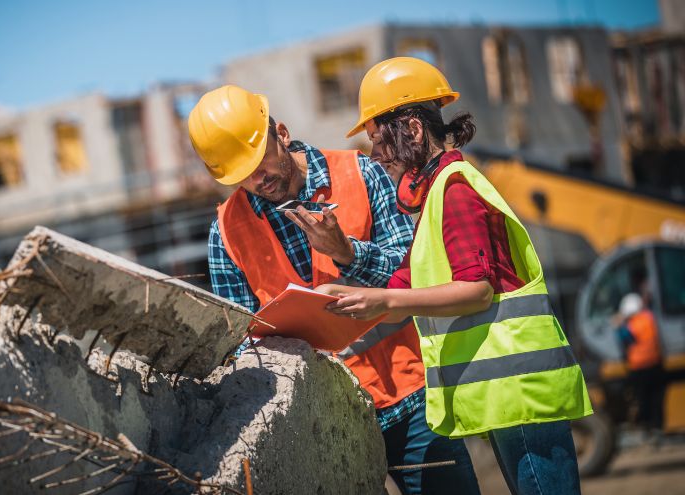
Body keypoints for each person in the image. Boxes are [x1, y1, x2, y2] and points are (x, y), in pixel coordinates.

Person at [319, 57, 593, 495]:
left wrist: (385, 303)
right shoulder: (435, 194)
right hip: (507, 398)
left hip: (521, 396)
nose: (375, 156)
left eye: (378, 140)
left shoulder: (456, 188)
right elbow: (403, 286)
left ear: (410, 129)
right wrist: (336, 302)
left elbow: (476, 290)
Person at [189, 84, 480, 494]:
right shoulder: (226, 231)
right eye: (241, 175)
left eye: (260, 162)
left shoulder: (361, 173)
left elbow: (414, 276)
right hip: (320, 422)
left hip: (408, 396)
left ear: (283, 134)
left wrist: (347, 254)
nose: (258, 179)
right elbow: (238, 342)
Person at [616, 293, 665, 436]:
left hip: (639, 367)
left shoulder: (632, 324)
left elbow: (626, 338)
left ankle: (647, 428)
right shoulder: (649, 317)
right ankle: (657, 427)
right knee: (656, 398)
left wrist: (619, 326)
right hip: (655, 363)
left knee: (643, 399)